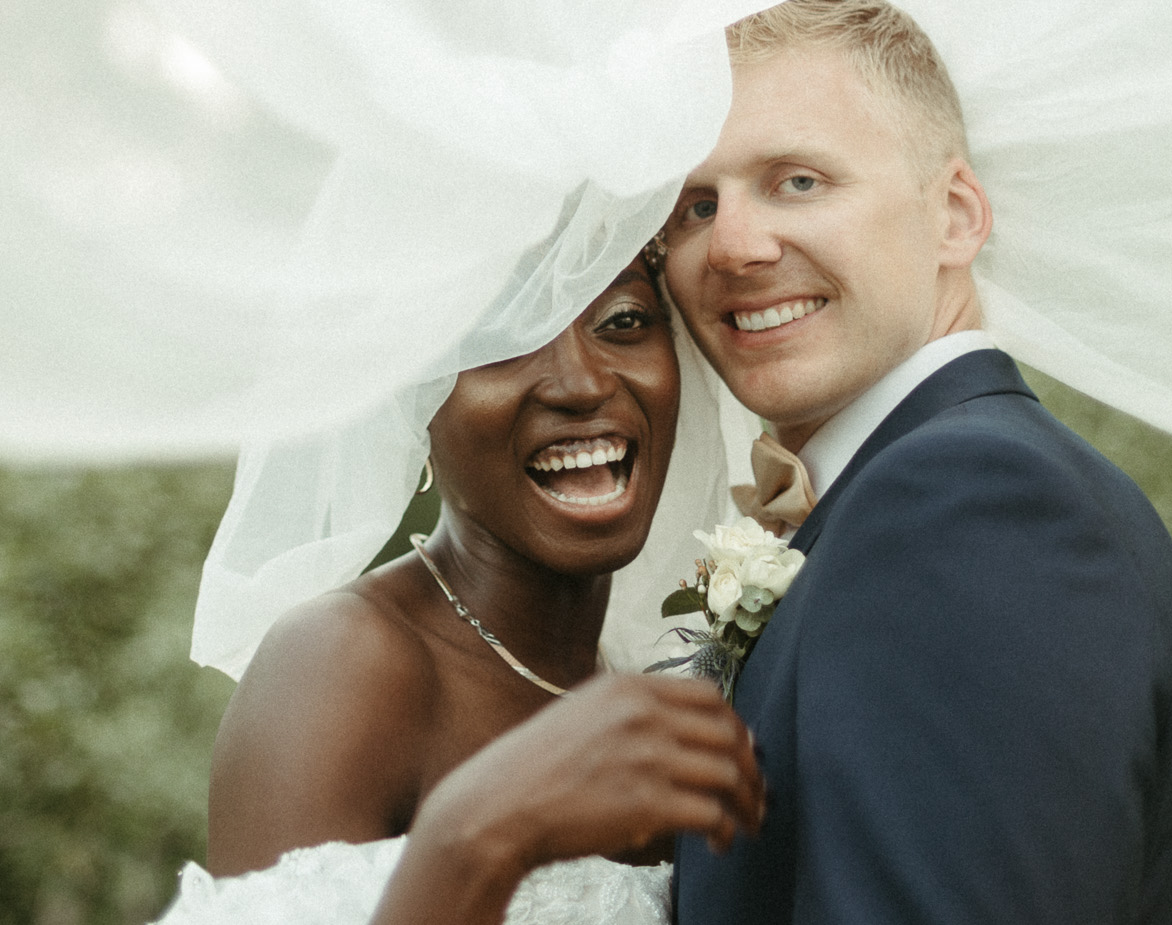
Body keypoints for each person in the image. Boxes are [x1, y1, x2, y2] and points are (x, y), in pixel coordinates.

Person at [664, 0, 1172, 924]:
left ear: (957, 215)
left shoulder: (968, 502)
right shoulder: (918, 490)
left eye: (798, 180)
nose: (734, 244)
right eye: (693, 204)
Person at [164, 254, 763, 925]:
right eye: (502, 343)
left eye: (623, 320)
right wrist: (483, 829)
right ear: (414, 399)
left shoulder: (651, 674)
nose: (581, 382)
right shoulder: (342, 660)